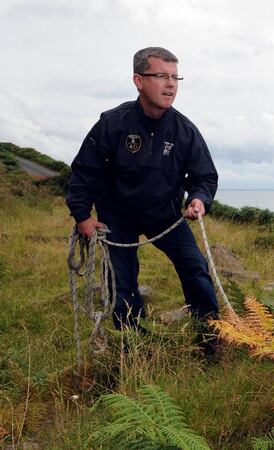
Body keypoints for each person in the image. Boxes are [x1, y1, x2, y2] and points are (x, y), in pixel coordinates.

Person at [66, 47, 219, 335]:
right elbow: (85, 173)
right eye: (161, 75)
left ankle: (209, 336)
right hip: (117, 218)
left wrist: (199, 198)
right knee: (121, 284)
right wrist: (82, 217)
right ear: (138, 80)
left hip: (166, 216)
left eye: (175, 77)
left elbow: (205, 176)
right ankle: (133, 344)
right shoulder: (112, 123)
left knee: (196, 268)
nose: (171, 84)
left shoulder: (185, 131)